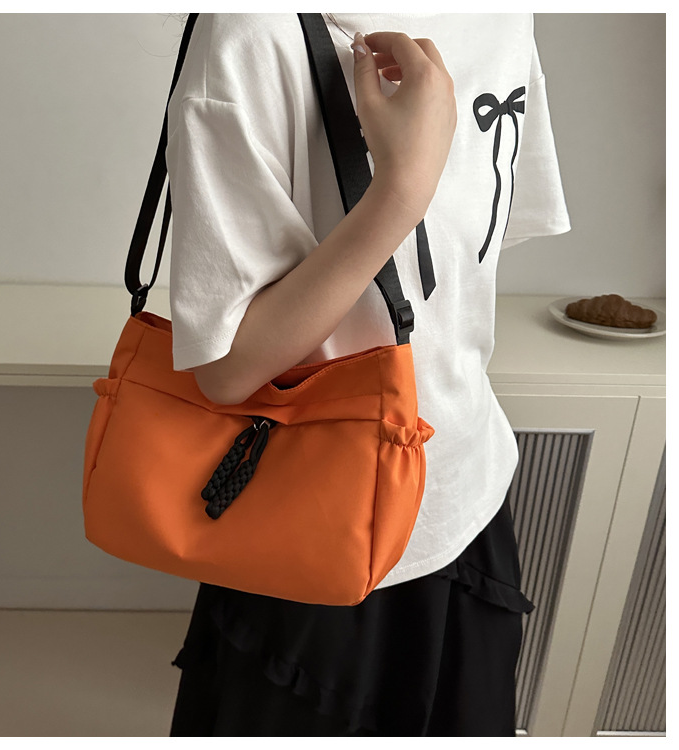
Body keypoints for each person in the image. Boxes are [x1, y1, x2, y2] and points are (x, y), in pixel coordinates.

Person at [164, 13, 570, 736]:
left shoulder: (503, 16)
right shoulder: (253, 35)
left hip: (466, 494)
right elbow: (227, 371)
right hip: (316, 517)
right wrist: (402, 188)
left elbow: (462, 263)